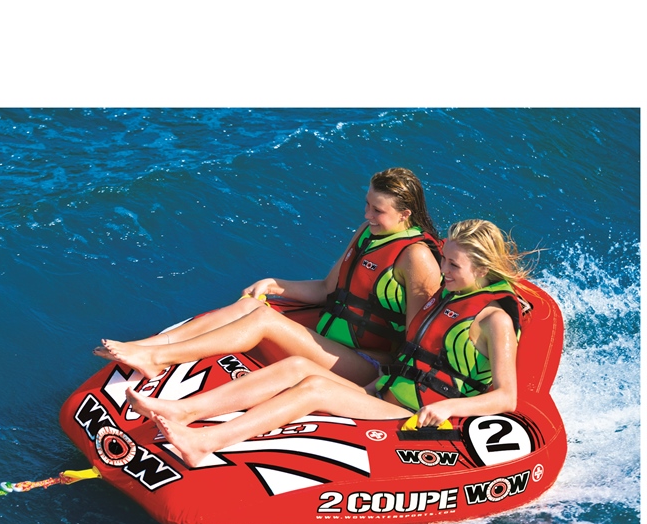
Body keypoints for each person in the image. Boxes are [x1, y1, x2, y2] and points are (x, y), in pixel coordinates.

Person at [125, 220, 534, 468]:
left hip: (413, 415)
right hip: (384, 392)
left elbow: (507, 397)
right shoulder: (453, 295)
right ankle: (183, 411)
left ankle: (206, 443)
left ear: (482, 267)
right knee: (296, 368)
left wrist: (448, 408)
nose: (443, 271)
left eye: (453, 265)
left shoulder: (494, 320)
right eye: (445, 259)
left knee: (314, 388)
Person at [94, 168, 443, 386]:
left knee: (263, 320)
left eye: (377, 210)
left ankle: (157, 360)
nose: (366, 214)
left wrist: (384, 390)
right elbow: (327, 289)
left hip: (368, 363)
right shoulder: (369, 233)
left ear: (405, 214)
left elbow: (420, 338)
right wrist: (275, 285)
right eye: (367, 204)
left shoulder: (416, 257)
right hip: (334, 342)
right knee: (251, 305)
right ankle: (148, 346)